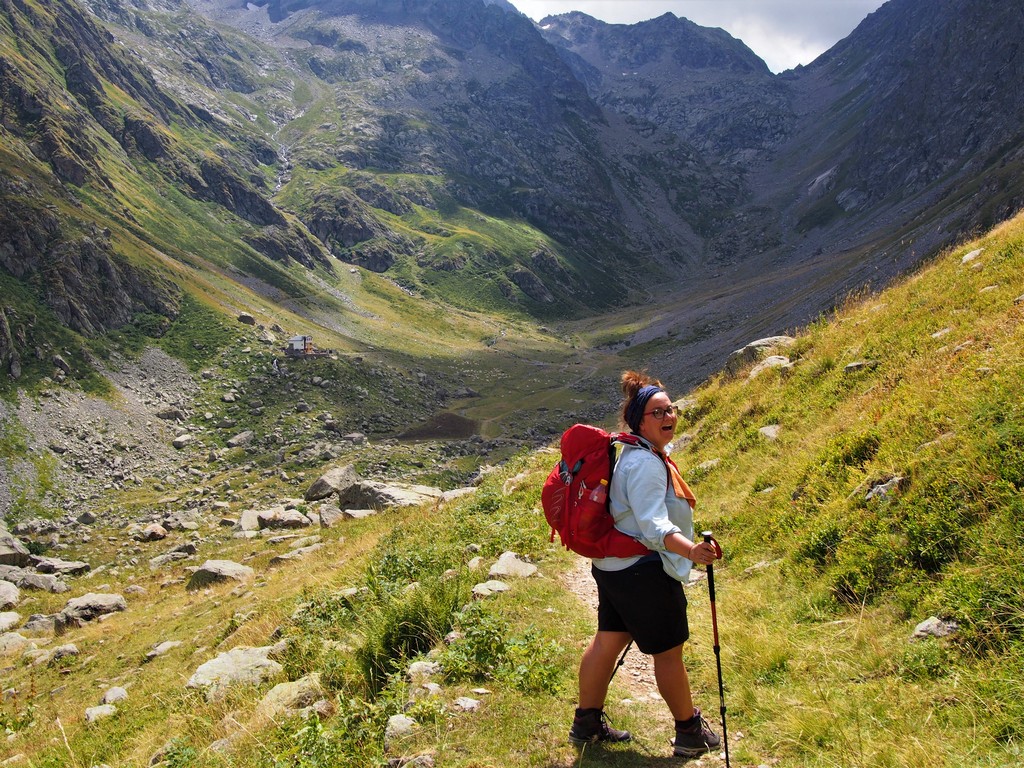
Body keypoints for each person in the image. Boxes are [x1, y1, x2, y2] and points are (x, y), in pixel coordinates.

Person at [568, 370, 722, 758]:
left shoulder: (634, 454)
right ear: (638, 420)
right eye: (658, 412)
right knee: (668, 652)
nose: (668, 416)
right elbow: (654, 524)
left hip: (614, 566)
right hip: (642, 571)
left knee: (609, 639)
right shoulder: (646, 464)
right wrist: (690, 551)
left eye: (671, 409)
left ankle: (586, 724)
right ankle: (689, 732)